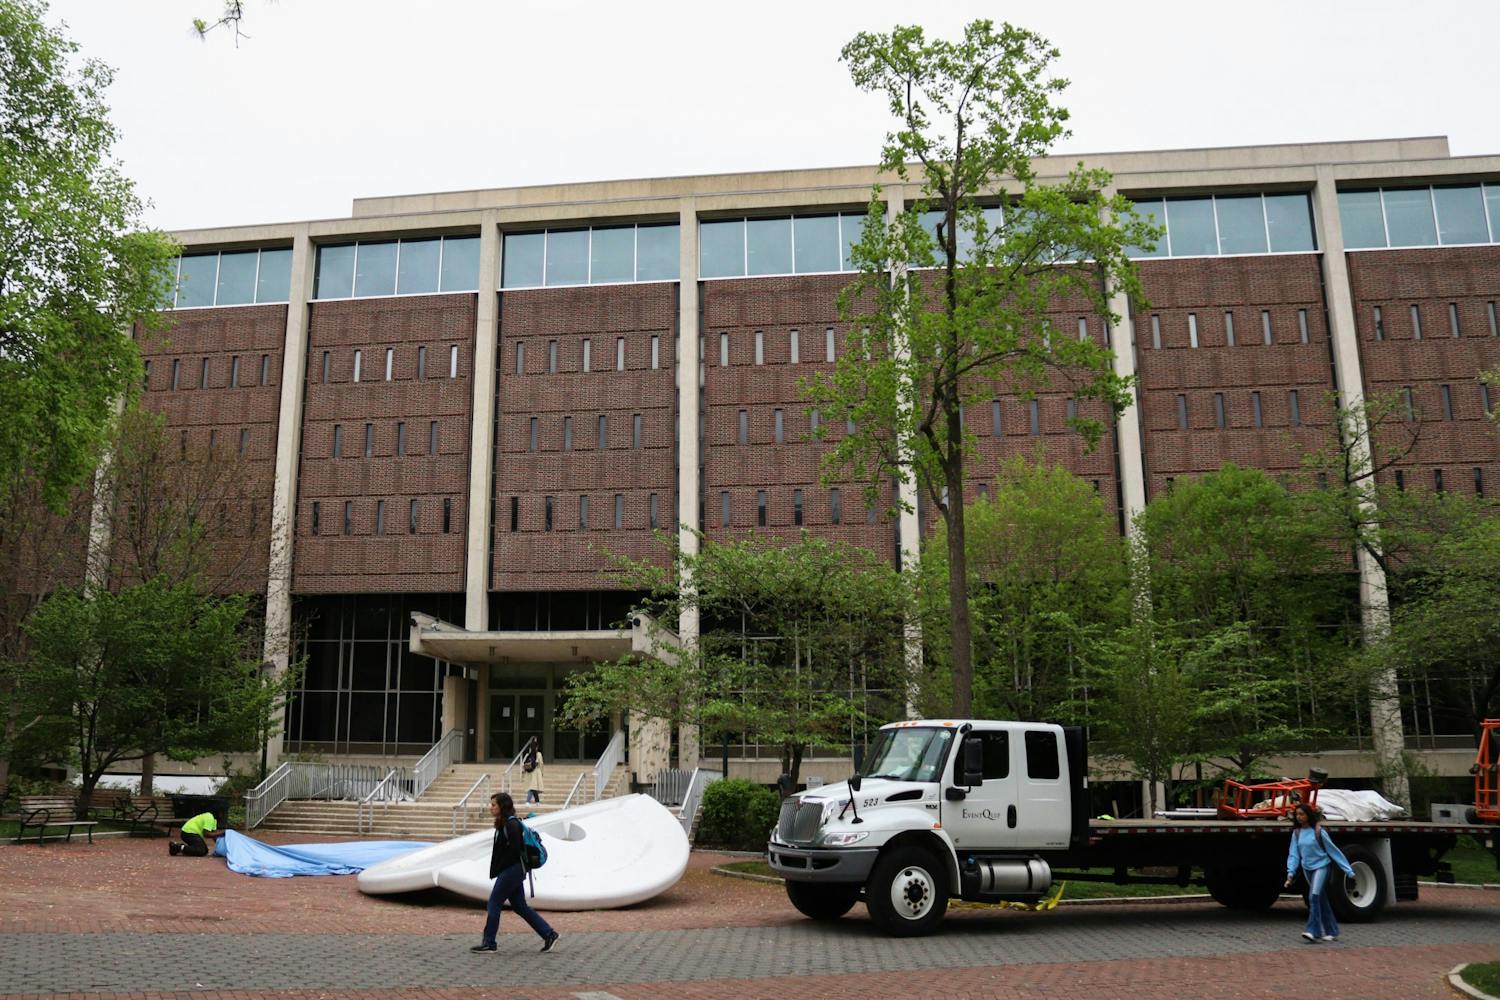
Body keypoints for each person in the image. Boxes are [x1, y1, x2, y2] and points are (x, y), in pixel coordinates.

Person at [471, 791, 559, 955]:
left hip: (512, 870)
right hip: (513, 870)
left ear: (502, 807)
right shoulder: (505, 824)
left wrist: (501, 868)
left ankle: (489, 943)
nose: (490, 808)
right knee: (520, 906)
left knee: (494, 903)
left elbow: (514, 851)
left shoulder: (511, 825)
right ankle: (549, 934)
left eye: (493, 805)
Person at [1284, 801, 1356, 943]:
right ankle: (1332, 930)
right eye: (1297, 814)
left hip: (1321, 867)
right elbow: (1294, 854)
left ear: (1308, 815)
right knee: (1320, 899)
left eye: (1302, 814)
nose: (1299, 817)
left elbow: (1334, 851)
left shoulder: (1319, 832)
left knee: (1314, 896)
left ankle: (1313, 931)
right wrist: (1290, 872)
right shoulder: (1296, 833)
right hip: (1307, 868)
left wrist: (1349, 871)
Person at [523, 739, 544, 804]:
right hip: (536, 772)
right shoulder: (539, 754)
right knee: (532, 787)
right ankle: (528, 801)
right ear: (536, 747)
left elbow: (524, 764)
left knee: (532, 787)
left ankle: (537, 802)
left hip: (528, 773)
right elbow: (541, 764)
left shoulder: (527, 755)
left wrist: (523, 772)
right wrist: (542, 772)